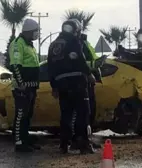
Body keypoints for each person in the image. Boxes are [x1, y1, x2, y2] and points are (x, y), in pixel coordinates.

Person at [47, 19, 95, 154]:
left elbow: (50, 68)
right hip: (77, 82)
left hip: (61, 84)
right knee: (82, 113)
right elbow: (80, 59)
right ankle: (83, 143)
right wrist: (89, 74)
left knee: (66, 114)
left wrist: (54, 86)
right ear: (76, 30)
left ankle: (64, 144)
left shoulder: (53, 45)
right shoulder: (74, 41)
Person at [9, 18, 41, 152]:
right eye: (35, 31)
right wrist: (21, 84)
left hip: (31, 86)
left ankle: (26, 139)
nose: (37, 34)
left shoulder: (29, 45)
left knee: (28, 115)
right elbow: (16, 65)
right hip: (22, 87)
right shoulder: (18, 44)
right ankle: (19, 142)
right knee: (21, 114)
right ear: (28, 31)